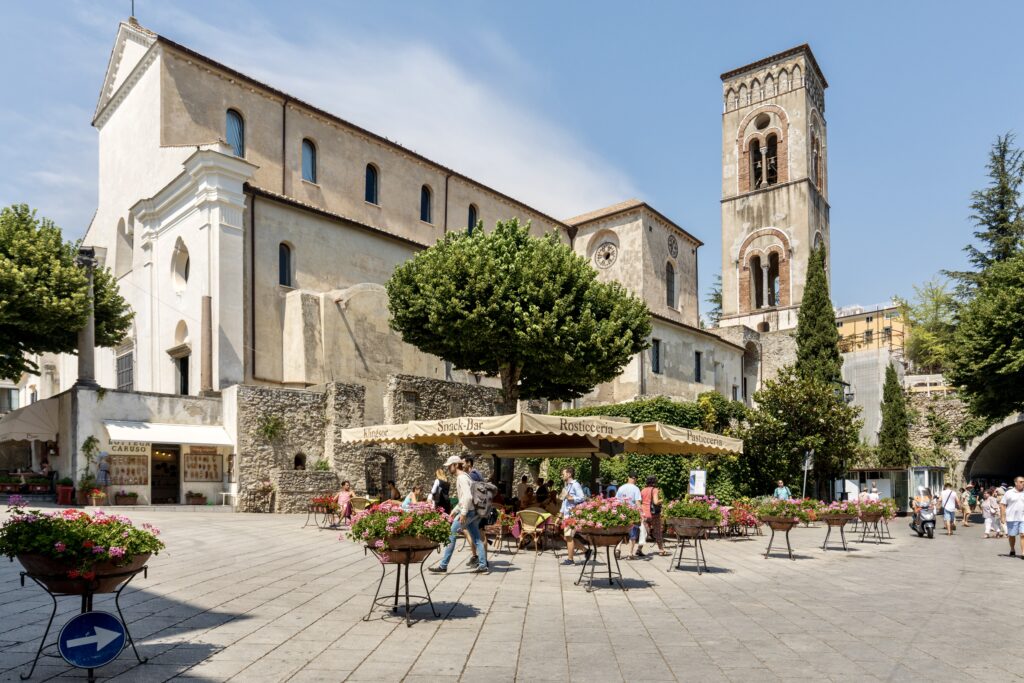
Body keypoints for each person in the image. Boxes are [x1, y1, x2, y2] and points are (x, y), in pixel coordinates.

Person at [429, 455, 489, 574]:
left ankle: (443, 565)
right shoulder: (465, 476)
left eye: (449, 466)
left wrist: (463, 513)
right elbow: (463, 498)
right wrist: (455, 510)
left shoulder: (461, 477)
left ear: (456, 465)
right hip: (472, 511)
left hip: (468, 512)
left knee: (451, 534)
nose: (448, 469)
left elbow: (467, 497)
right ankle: (483, 565)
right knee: (477, 539)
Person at [559, 467, 587, 566]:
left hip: (572, 514)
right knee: (567, 537)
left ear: (569, 474)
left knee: (568, 537)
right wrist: (560, 515)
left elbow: (582, 497)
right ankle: (586, 551)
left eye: (563, 473)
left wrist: (571, 498)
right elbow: (564, 502)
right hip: (567, 514)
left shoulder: (575, 485)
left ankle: (570, 560)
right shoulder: (567, 486)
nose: (562, 475)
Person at [615, 474, 643, 559]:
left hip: (622, 512)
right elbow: (638, 502)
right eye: (634, 478)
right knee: (633, 533)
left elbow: (617, 500)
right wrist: (641, 513)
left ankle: (618, 548)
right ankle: (630, 554)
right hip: (632, 513)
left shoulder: (621, 487)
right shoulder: (636, 488)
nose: (634, 479)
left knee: (621, 532)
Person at [641, 475, 667, 556]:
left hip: (644, 514)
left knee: (644, 532)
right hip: (653, 514)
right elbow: (655, 502)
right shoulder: (655, 490)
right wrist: (661, 500)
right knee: (657, 531)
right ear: (654, 482)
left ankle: (639, 549)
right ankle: (661, 550)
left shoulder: (643, 490)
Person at [999, 476, 1024, 557]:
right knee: (1012, 535)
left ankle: (1023, 552)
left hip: (1022, 518)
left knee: (1023, 534)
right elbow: (1003, 505)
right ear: (1016, 483)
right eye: (1021, 481)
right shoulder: (1009, 493)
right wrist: (1002, 517)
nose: (1022, 483)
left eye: (1023, 482)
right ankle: (1012, 549)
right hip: (1012, 518)